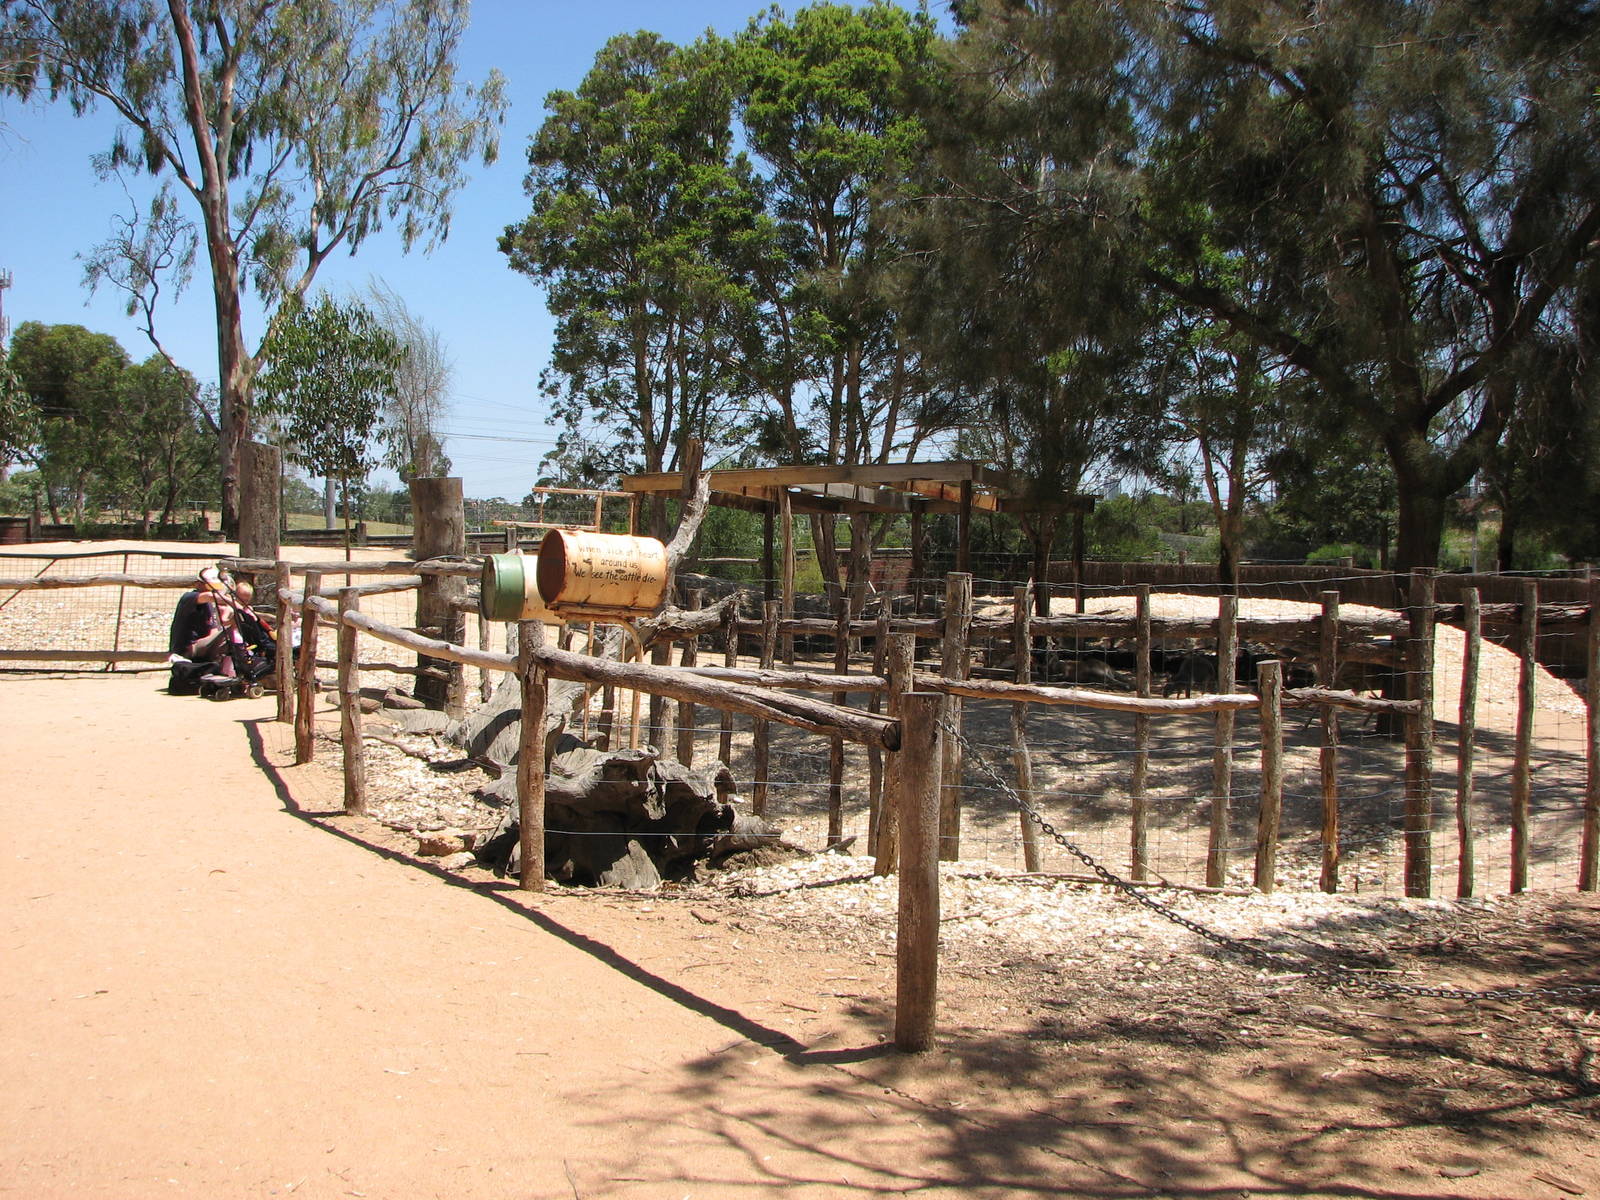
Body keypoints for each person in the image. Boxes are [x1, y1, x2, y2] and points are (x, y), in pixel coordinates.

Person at [168, 575, 236, 677]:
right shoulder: (189, 597)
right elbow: (210, 596)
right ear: (198, 584)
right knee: (228, 632)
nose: (212, 590)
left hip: (200, 646)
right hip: (187, 649)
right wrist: (236, 605)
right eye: (209, 587)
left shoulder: (209, 605)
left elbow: (213, 631)